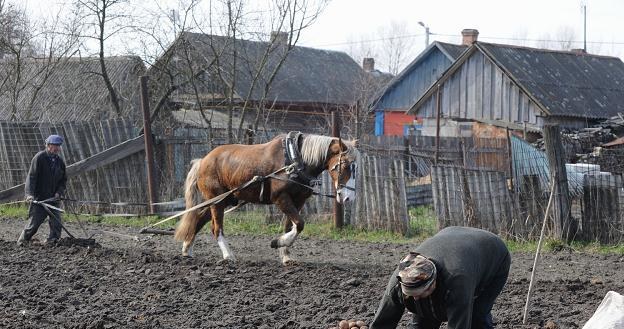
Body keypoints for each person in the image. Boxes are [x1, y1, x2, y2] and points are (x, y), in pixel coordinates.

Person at [370, 226, 511, 329]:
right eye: (411, 295)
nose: (416, 299)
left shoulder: (457, 281)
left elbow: (459, 325)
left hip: (494, 255)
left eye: (420, 293)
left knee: (476, 316)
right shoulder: (399, 280)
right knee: (423, 319)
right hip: (452, 238)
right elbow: (382, 323)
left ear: (434, 282)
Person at [17, 134, 68, 246]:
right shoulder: (39, 158)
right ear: (48, 145)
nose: (57, 148)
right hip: (40, 199)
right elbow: (31, 177)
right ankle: (23, 240)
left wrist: (59, 192)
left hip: (54, 199)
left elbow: (63, 180)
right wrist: (29, 194)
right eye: (55, 146)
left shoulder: (60, 162)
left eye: (58, 146)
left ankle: (52, 241)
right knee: (34, 224)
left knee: (57, 222)